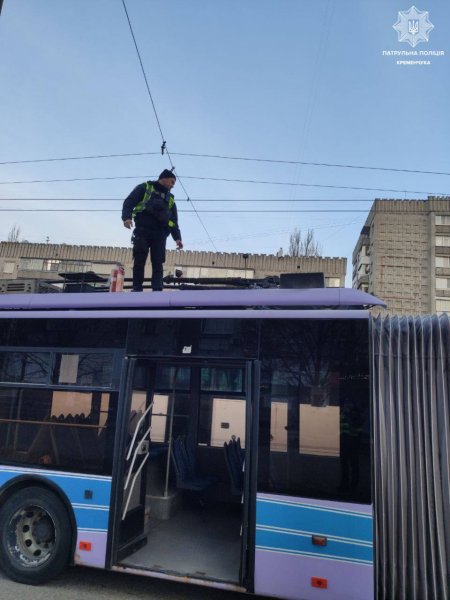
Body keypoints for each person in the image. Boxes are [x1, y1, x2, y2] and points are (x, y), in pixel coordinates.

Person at [122, 169, 183, 291]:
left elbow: (173, 221)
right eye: (171, 182)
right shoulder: (145, 187)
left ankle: (157, 290)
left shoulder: (170, 199)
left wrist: (177, 238)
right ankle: (137, 289)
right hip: (142, 230)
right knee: (139, 260)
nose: (172, 185)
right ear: (163, 178)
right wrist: (126, 217)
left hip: (160, 234)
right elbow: (129, 201)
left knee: (158, 263)